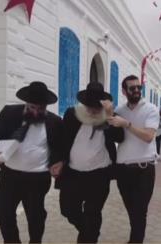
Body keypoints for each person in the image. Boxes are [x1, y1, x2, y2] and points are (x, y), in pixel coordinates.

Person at [0, 81, 63, 243]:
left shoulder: (54, 122)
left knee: (35, 216)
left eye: (41, 109)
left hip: (38, 179)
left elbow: (60, 147)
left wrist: (59, 162)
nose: (36, 112)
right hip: (10, 176)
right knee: (2, 211)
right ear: (26, 103)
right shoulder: (9, 113)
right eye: (32, 107)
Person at [58, 82, 124, 243]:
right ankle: (90, 233)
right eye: (90, 107)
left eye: (97, 107)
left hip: (99, 175)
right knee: (67, 209)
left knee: (92, 213)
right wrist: (57, 161)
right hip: (73, 174)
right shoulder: (72, 114)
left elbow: (119, 137)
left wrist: (109, 117)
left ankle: (88, 237)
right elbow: (62, 140)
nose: (93, 110)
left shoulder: (110, 118)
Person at [105, 75, 159, 243]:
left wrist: (127, 124)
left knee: (140, 211)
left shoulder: (150, 109)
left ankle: (135, 241)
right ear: (124, 91)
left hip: (144, 169)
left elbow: (149, 136)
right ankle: (135, 237)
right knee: (132, 210)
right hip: (123, 170)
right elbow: (114, 135)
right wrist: (108, 114)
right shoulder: (120, 110)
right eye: (132, 88)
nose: (136, 90)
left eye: (138, 87)